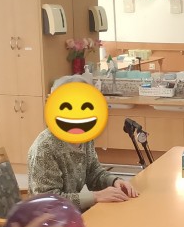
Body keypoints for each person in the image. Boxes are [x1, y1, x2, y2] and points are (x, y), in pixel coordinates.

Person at [27, 75, 138, 212]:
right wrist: (95, 196)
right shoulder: (45, 148)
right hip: (48, 219)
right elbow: (49, 202)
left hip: (74, 213)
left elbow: (93, 172)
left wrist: (114, 181)